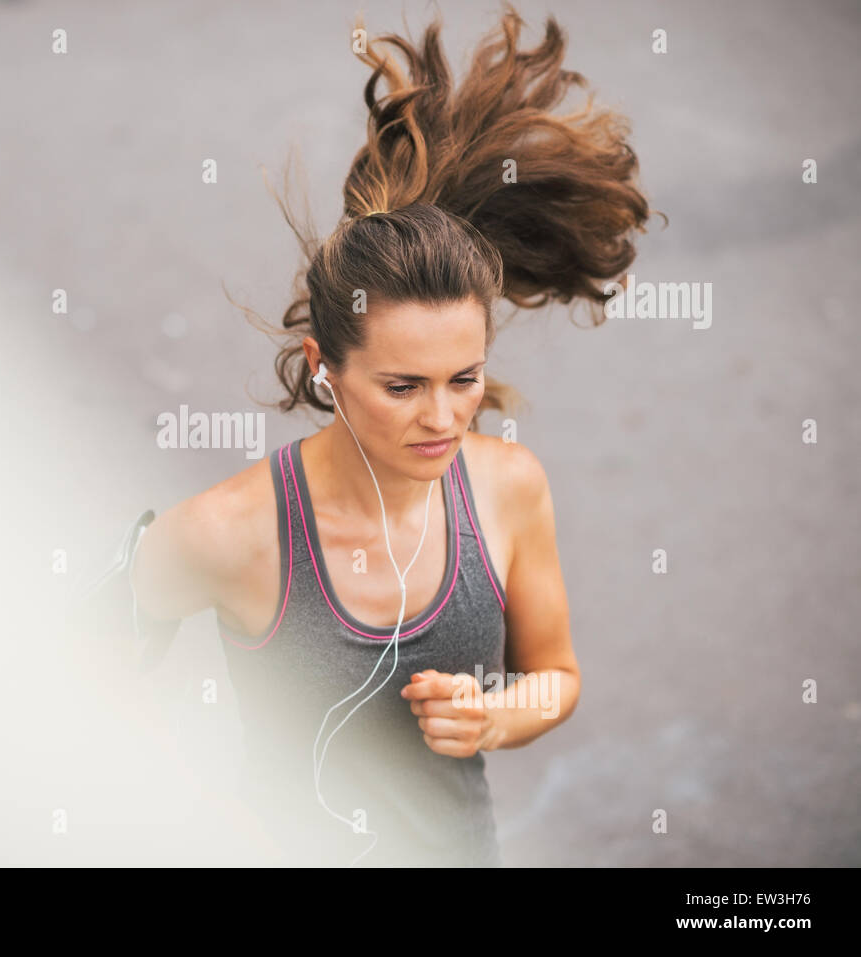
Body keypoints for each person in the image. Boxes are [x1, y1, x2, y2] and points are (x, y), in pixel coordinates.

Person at [130, 5, 654, 866]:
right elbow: (81, 661)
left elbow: (556, 677)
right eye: (403, 386)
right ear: (325, 367)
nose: (444, 419)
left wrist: (495, 714)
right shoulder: (228, 532)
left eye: (464, 379)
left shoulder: (509, 487)